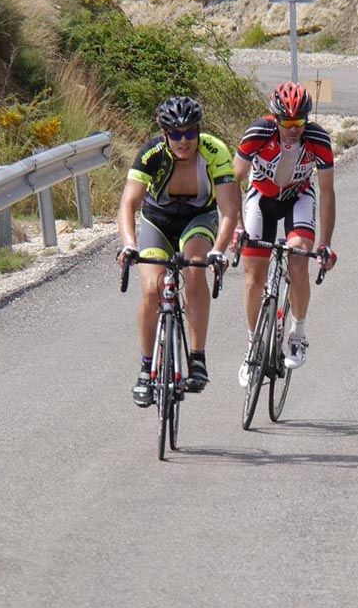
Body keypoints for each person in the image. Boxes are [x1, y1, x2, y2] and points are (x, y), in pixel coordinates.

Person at [117, 96, 240, 407]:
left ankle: (197, 358)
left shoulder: (215, 152)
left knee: (196, 266)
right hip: (157, 220)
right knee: (151, 290)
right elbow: (128, 203)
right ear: (164, 132)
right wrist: (129, 243)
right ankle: (146, 370)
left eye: (190, 132)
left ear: (199, 131)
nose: (184, 141)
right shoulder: (152, 153)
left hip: (198, 219)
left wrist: (220, 249)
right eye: (176, 134)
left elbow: (229, 210)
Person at [232, 81, 337, 385]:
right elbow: (232, 180)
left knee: (299, 259)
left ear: (307, 119)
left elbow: (328, 194)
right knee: (253, 276)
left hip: (298, 199)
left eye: (299, 122)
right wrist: (237, 227)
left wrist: (326, 245)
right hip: (261, 199)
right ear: (274, 117)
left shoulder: (317, 138)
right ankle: (253, 347)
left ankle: (298, 333)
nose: (293, 129)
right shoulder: (258, 133)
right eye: (286, 122)